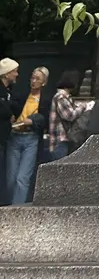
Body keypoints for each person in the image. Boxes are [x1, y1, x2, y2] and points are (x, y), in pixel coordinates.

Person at [5, 65, 48, 205]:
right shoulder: (22, 95)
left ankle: (16, 209)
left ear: (44, 82)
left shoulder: (45, 99)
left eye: (38, 79)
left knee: (22, 178)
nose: (34, 81)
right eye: (32, 78)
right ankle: (9, 205)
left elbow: (46, 119)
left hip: (31, 138)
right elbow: (11, 107)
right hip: (15, 136)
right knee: (11, 178)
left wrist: (33, 121)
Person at [46, 70, 89, 162]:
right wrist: (83, 106)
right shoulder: (61, 97)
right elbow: (70, 115)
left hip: (63, 140)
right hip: (60, 139)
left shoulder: (66, 97)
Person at [0, 58, 19, 206]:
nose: (17, 74)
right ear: (6, 74)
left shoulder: (8, 92)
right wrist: (8, 114)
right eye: (14, 71)